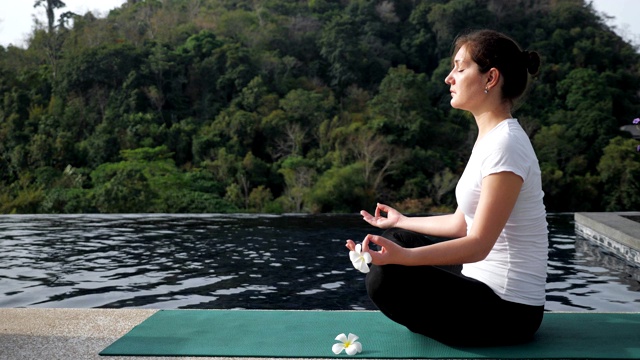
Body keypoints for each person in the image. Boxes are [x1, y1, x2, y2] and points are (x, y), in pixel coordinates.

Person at [345, 29, 547, 347]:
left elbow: (479, 244)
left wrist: (407, 258)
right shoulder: (490, 138)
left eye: (460, 67)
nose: (448, 78)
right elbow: (461, 223)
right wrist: (400, 221)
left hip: (510, 311)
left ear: (490, 78)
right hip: (478, 283)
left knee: (387, 276)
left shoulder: (506, 144)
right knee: (395, 240)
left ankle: (447, 321)